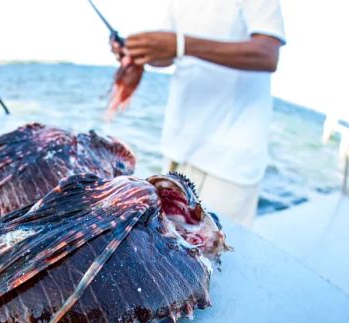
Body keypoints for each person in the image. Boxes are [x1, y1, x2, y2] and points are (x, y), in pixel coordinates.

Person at [121, 0, 286, 227]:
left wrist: (181, 44)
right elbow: (166, 54)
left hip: (229, 162)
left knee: (213, 252)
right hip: (178, 149)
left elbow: (267, 54)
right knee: (164, 243)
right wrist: (139, 51)